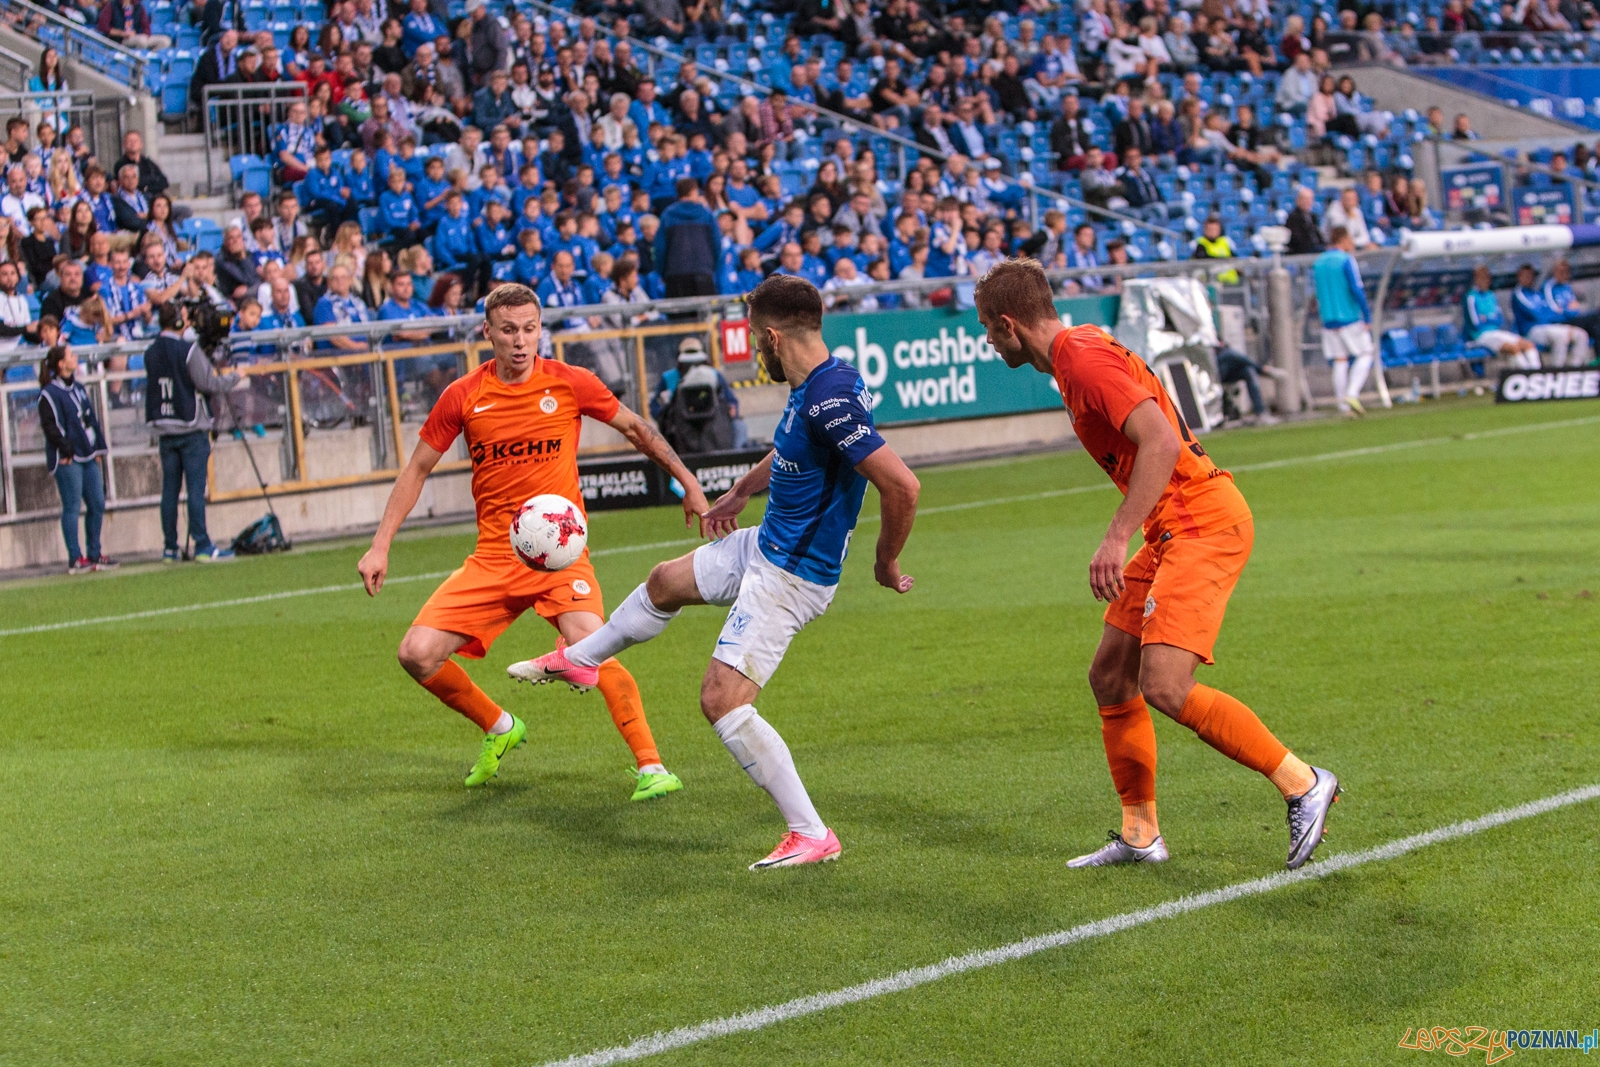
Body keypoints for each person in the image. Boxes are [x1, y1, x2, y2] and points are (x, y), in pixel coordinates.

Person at [509, 275, 920, 869]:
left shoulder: (832, 400)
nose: (754, 349)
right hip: (766, 545)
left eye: (756, 339)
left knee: (722, 700)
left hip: (792, 575)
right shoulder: (827, 380)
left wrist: (885, 562)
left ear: (775, 337)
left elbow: (902, 485)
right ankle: (582, 658)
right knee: (663, 582)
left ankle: (810, 833)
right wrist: (738, 493)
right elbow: (790, 449)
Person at [972, 258, 1339, 871]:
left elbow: (1161, 442)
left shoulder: (1084, 362)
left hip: (1201, 523)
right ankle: (1141, 835)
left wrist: (1115, 538)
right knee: (1110, 677)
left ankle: (1303, 782)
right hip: (1173, 528)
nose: (988, 340)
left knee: (1165, 686)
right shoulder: (1077, 349)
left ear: (1010, 324)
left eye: (987, 327)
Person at [356, 283, 711, 797]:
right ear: (488, 333)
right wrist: (380, 543)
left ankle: (652, 766)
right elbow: (417, 470)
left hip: (561, 555)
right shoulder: (463, 395)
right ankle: (500, 726)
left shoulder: (571, 382)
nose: (521, 341)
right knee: (416, 653)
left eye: (529, 329)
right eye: (508, 330)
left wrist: (690, 480)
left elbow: (637, 429)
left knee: (594, 648)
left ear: (540, 328)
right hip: (495, 557)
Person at [144, 301, 246, 562]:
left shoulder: (150, 351)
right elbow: (208, 383)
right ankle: (202, 544)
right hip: (190, 427)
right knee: (195, 489)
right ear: (179, 321)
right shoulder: (187, 350)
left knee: (169, 490)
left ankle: (170, 547)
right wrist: (236, 376)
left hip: (165, 428)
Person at [38, 344, 114, 574]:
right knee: (72, 506)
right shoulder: (49, 394)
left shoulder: (79, 388)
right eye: (71, 355)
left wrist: (98, 448)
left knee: (97, 502)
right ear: (61, 364)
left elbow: (90, 419)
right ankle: (75, 557)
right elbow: (51, 427)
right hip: (68, 458)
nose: (75, 357)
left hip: (87, 454)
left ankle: (94, 552)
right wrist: (65, 449)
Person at [1313, 227, 1376, 417]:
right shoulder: (1346, 260)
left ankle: (1343, 406)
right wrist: (1367, 314)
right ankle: (1352, 393)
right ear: (1344, 239)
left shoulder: (1318, 262)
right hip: (1348, 316)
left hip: (1328, 319)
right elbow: (1357, 289)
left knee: (1340, 361)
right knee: (1365, 354)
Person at [1462, 265, 1539, 370]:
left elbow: (1500, 319)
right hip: (1480, 336)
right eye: (1483, 278)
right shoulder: (1471, 297)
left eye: (1488, 278)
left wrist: (1487, 318)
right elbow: (1476, 324)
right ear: (1476, 279)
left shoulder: (1491, 295)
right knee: (1513, 349)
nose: (1486, 281)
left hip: (1496, 332)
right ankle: (1528, 376)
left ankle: (1537, 373)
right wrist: (1491, 318)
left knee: (1528, 345)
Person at [653, 177, 719, 298]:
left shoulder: (667, 215)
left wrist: (663, 273)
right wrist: (710, 268)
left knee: (680, 316)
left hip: (675, 276)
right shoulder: (706, 214)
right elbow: (716, 244)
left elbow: (660, 249)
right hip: (703, 273)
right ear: (694, 191)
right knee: (706, 316)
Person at [1513, 263, 1589, 368]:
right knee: (1560, 336)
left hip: (1551, 327)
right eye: (1525, 275)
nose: (1529, 278)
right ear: (1519, 276)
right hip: (1532, 330)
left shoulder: (1537, 293)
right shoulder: (1519, 294)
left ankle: (1575, 369)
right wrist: (1558, 313)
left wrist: (1559, 314)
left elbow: (1552, 313)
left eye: (1531, 275)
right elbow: (1539, 315)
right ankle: (1557, 371)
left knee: (1581, 335)